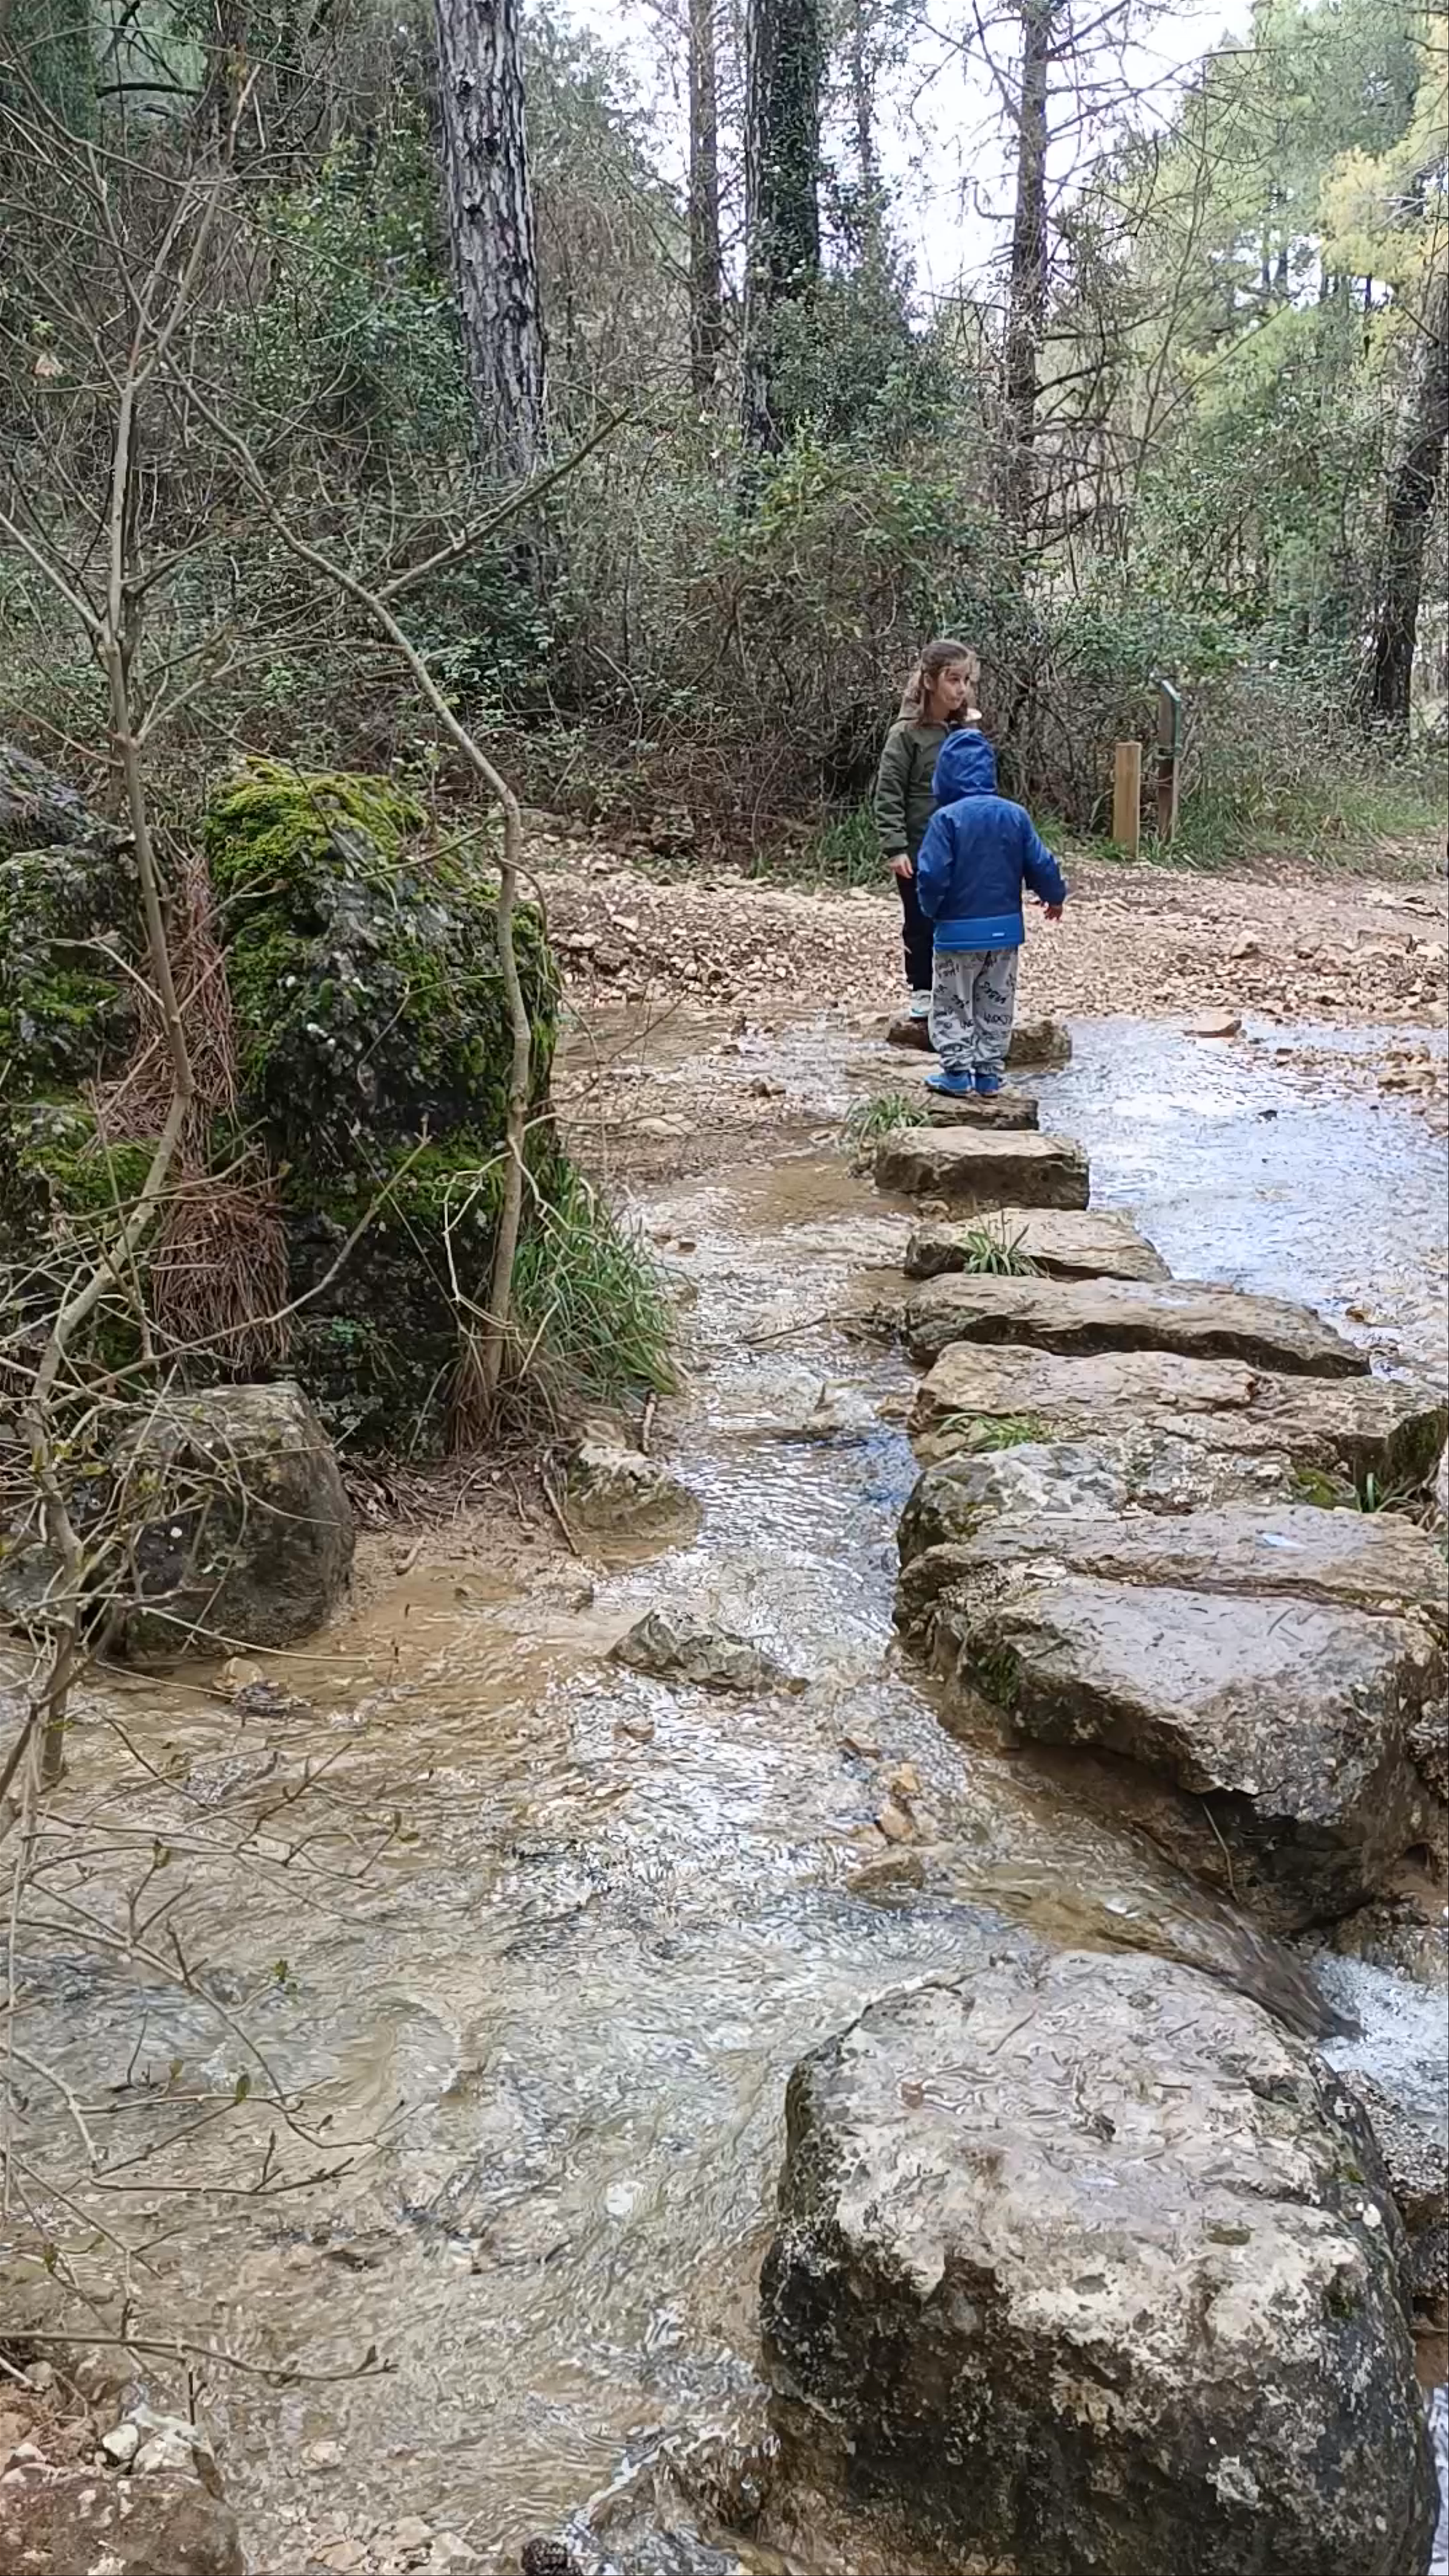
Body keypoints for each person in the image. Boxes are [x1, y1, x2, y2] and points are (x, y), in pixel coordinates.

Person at [915, 727, 1066, 1098]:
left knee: (953, 1000)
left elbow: (933, 873)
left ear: (944, 776)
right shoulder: (1015, 816)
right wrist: (1054, 896)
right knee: (997, 1000)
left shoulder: (946, 820)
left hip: (957, 933)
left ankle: (956, 1071)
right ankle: (989, 1074)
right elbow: (1041, 863)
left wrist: (930, 909)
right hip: (1005, 933)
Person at [872, 639, 981, 1044]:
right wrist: (894, 846)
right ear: (930, 681)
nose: (960, 689)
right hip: (917, 852)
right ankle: (922, 991)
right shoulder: (905, 734)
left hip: (960, 850)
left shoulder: (965, 731)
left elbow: (978, 787)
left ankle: (956, 992)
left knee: (958, 921)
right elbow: (888, 793)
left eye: (965, 681)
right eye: (953, 679)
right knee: (920, 923)